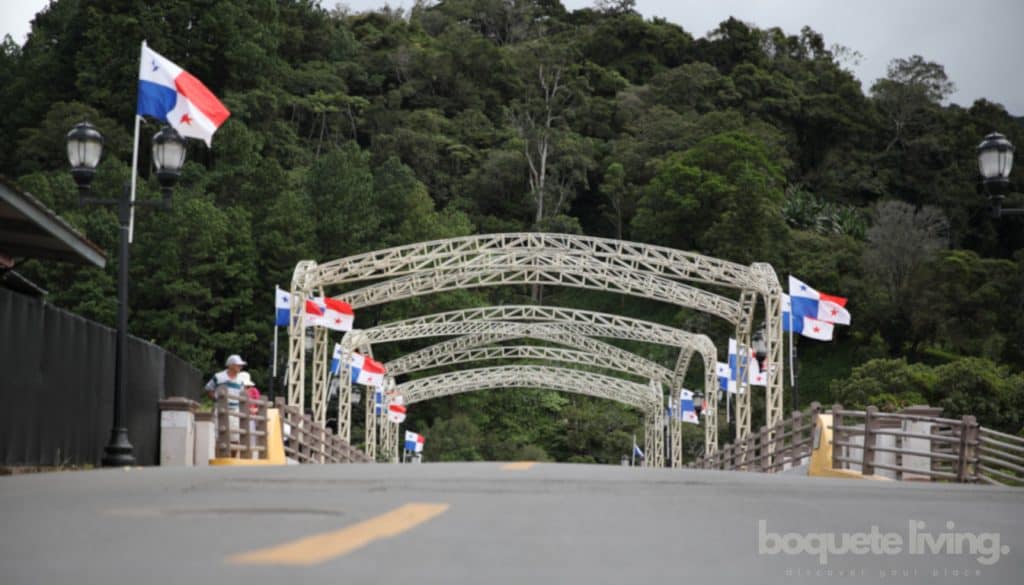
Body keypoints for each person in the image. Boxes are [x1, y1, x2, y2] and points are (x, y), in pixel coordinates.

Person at [204, 355, 254, 452]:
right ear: (231, 365)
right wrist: (216, 398)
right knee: (219, 436)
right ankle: (219, 458)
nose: (240, 367)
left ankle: (232, 459)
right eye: (238, 365)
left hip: (234, 411)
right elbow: (208, 388)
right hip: (220, 409)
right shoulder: (218, 377)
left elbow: (242, 396)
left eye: (241, 365)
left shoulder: (240, 381)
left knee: (235, 437)